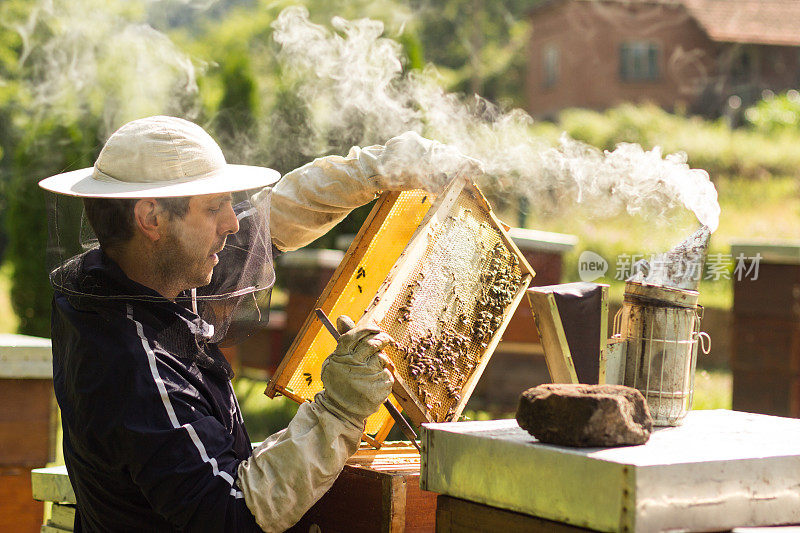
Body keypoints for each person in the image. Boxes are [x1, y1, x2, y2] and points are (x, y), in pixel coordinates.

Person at [39, 115, 477, 532]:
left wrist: (378, 168)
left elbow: (268, 222)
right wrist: (339, 411)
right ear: (151, 218)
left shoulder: (132, 273)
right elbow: (231, 515)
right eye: (214, 208)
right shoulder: (133, 369)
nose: (232, 222)